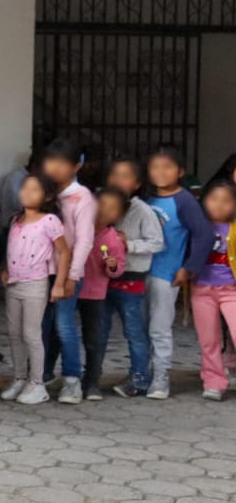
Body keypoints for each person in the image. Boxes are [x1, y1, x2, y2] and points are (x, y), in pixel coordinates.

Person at [145, 147, 212, 400]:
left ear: (180, 171)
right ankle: (141, 374)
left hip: (166, 273)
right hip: (140, 272)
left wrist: (189, 268)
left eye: (167, 167)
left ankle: (161, 377)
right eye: (155, 167)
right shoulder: (146, 196)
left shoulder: (183, 200)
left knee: (159, 328)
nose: (160, 173)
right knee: (140, 328)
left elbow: (203, 234)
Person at [2, 174, 72, 405]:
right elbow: (12, 249)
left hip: (35, 285)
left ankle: (37, 383)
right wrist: (5, 269)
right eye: (25, 188)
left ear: (48, 196)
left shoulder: (50, 220)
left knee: (32, 334)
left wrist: (59, 283)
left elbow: (64, 252)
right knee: (14, 333)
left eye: (34, 190)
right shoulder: (16, 220)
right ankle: (20, 377)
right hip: (13, 284)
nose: (27, 193)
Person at [103, 160, 165, 397]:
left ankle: (139, 377)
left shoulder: (142, 210)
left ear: (137, 184)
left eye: (125, 175)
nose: (118, 179)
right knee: (99, 330)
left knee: (134, 332)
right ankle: (92, 376)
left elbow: (157, 242)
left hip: (131, 281)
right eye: (114, 175)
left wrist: (127, 244)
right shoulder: (102, 206)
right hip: (103, 280)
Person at [40, 140, 94, 404]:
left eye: (63, 162)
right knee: (41, 325)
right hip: (40, 272)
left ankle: (73, 379)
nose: (55, 167)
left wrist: (73, 276)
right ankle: (41, 374)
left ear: (76, 166)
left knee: (63, 325)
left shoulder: (81, 196)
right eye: (51, 161)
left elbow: (84, 240)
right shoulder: (44, 193)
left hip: (66, 273)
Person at [78, 189, 130, 401]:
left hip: (95, 293)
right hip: (71, 289)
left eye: (111, 209)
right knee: (60, 333)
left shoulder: (113, 239)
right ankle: (62, 375)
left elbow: (118, 269)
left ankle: (92, 381)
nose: (103, 211)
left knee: (93, 339)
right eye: (100, 205)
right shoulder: (80, 229)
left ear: (118, 215)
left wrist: (113, 266)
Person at [191, 179, 236, 401]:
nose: (219, 205)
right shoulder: (197, 228)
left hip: (231, 290)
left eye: (227, 201)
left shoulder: (234, 228)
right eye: (213, 199)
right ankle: (214, 381)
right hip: (202, 290)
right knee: (209, 339)